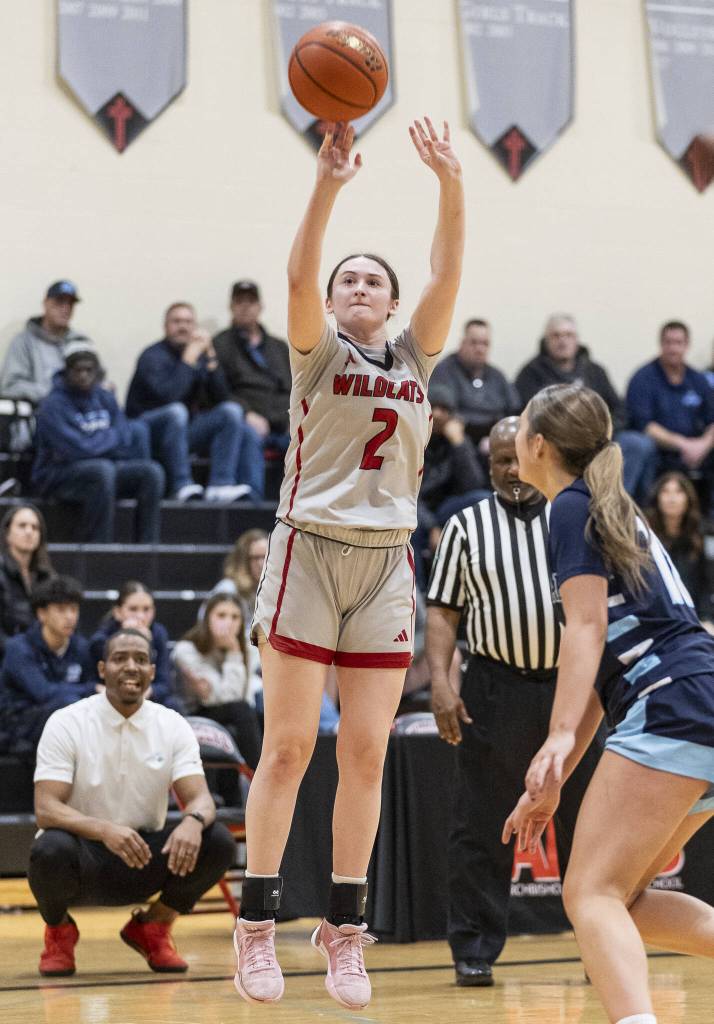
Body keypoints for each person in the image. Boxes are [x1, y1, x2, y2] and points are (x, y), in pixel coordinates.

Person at [231, 117, 464, 1010]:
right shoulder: (314, 350)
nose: (359, 284)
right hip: (308, 552)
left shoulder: (415, 357)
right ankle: (257, 926)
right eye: (348, 279)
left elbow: (446, 272)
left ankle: (344, 932)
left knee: (366, 751)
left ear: (393, 304)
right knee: (288, 749)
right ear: (331, 304)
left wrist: (449, 182)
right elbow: (297, 272)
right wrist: (328, 183)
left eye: (374, 278)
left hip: (383, 563)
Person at [502, 383, 714, 1024]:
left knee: (589, 894)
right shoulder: (608, 503)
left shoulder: (570, 506)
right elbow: (601, 667)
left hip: (671, 699)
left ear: (537, 444)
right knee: (624, 898)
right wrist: (559, 770)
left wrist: (558, 739)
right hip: (695, 696)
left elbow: (586, 630)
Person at [426, 416, 602, 986]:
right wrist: (441, 681)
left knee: (589, 824)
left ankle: (600, 946)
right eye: (499, 460)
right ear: (490, 461)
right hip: (494, 688)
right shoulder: (465, 525)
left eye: (517, 458)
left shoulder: (574, 516)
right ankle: (474, 949)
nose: (510, 470)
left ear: (537, 453)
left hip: (573, 692)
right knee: (480, 825)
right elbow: (443, 612)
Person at [28, 627, 235, 977]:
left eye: (141, 659)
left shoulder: (171, 724)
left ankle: (153, 927)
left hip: (143, 855)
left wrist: (192, 821)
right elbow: (46, 808)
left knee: (217, 841)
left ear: (152, 672)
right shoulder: (66, 722)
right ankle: (59, 932)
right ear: (102, 669)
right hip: (84, 857)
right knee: (48, 850)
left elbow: (199, 797)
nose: (131, 666)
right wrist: (106, 830)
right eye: (120, 658)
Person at [126, 302, 263, 502]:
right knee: (176, 411)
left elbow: (222, 398)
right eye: (177, 321)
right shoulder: (152, 356)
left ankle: (221, 484)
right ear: (166, 327)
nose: (183, 326)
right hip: (150, 432)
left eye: (188, 322)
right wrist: (189, 359)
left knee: (231, 411)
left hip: (182, 433)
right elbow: (169, 398)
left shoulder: (198, 356)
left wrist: (211, 357)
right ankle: (181, 484)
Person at [516, 314, 657, 502]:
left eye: (568, 335)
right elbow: (526, 417)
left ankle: (617, 503)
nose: (562, 341)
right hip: (556, 444)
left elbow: (620, 410)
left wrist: (604, 434)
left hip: (599, 440)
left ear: (577, 340)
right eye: (556, 336)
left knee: (639, 443)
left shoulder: (594, 371)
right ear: (546, 340)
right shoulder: (530, 374)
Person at [31, 343, 164, 543]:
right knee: (102, 470)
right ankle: (100, 547)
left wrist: (95, 443)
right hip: (57, 475)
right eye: (78, 370)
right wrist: (107, 441)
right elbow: (75, 450)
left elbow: (125, 437)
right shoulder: (51, 405)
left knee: (152, 472)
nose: (84, 375)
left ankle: (148, 547)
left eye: (89, 370)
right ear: (67, 372)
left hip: (102, 468)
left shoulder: (105, 397)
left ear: (97, 372)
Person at [0, 575, 94, 755]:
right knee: (68, 706)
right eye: (61, 609)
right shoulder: (19, 648)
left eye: (74, 609)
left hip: (61, 717)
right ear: (41, 614)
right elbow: (43, 693)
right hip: (19, 723)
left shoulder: (81, 646)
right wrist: (90, 688)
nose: (69, 617)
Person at [626, 320, 714, 504]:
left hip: (697, 451)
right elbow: (644, 425)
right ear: (661, 344)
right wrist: (683, 445)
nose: (673, 348)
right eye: (668, 342)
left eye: (678, 343)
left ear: (687, 345)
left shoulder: (698, 380)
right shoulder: (643, 378)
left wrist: (702, 445)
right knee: (641, 445)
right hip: (660, 450)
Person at [413, 383, 490, 589]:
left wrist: (459, 442)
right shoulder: (414, 438)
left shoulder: (456, 442)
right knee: (411, 529)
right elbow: (409, 494)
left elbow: (473, 485)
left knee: (484, 498)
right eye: (433, 407)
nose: (438, 414)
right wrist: (432, 526)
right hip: (417, 511)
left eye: (444, 409)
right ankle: (418, 597)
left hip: (445, 509)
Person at [173, 594, 262, 771]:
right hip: (196, 714)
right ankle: (257, 776)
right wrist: (234, 653)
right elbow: (218, 698)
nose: (228, 623)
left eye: (235, 617)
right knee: (241, 710)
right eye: (221, 615)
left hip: (234, 713)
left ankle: (254, 780)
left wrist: (235, 651)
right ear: (207, 619)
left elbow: (237, 697)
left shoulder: (249, 648)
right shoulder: (186, 650)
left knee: (254, 712)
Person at [213, 281, 292, 454]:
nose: (245, 307)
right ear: (231, 307)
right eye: (240, 302)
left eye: (251, 302)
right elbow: (219, 391)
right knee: (248, 435)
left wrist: (291, 419)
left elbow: (294, 388)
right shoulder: (220, 344)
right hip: (247, 422)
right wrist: (247, 414)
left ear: (260, 306)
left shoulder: (278, 346)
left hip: (283, 423)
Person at [89, 581, 182, 711]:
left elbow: (165, 684)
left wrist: (147, 644)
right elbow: (93, 682)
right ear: (118, 612)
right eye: (133, 609)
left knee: (173, 704)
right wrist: (125, 639)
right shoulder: (101, 640)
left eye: (146, 609)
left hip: (146, 695)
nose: (140, 616)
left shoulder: (158, 633)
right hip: (109, 697)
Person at [428, 318, 520, 446]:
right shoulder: (444, 371)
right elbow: (443, 412)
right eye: (474, 343)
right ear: (462, 343)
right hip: (458, 442)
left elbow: (514, 409)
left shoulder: (497, 376)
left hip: (494, 440)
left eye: (485, 344)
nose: (479, 349)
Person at [0, 281, 93, 404]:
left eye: (70, 304)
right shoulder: (24, 342)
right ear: (46, 303)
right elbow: (10, 386)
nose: (66, 309)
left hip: (79, 415)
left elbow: (95, 377)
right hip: (39, 415)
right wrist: (53, 394)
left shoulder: (80, 342)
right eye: (60, 302)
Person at [646, 472, 713, 630]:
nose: (672, 498)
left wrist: (707, 618)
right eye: (666, 491)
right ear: (657, 497)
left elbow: (708, 582)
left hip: (696, 612)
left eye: (678, 492)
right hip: (657, 615)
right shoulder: (645, 534)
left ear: (688, 498)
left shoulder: (703, 533)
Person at [0, 504, 54, 660]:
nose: (29, 531)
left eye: (35, 527)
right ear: (7, 533)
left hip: (42, 658)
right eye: (22, 526)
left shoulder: (48, 576)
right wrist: (22, 653)